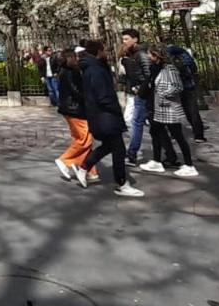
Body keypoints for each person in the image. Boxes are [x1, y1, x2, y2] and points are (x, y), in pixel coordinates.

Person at [74, 40, 143, 198]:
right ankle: (121, 183)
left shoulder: (91, 67)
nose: (107, 53)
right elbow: (103, 95)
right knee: (118, 149)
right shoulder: (96, 70)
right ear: (98, 51)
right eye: (104, 50)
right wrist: (114, 109)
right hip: (105, 115)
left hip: (100, 115)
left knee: (109, 146)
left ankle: (84, 166)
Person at [141, 46, 198, 177]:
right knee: (155, 133)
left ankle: (189, 165)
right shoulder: (155, 69)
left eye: (150, 54)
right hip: (159, 108)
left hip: (169, 107)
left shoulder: (169, 69)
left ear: (156, 55)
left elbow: (178, 86)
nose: (148, 57)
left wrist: (163, 93)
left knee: (178, 136)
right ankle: (156, 161)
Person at [54, 48, 98, 183]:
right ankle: (65, 160)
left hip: (73, 109)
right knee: (86, 139)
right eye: (75, 57)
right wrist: (90, 99)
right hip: (74, 109)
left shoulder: (70, 71)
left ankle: (91, 170)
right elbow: (76, 92)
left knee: (81, 139)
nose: (77, 59)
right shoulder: (69, 72)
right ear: (69, 58)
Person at [119, 28, 152, 166]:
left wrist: (140, 88)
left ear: (135, 39)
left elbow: (148, 74)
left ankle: (132, 154)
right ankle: (170, 155)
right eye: (123, 39)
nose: (124, 41)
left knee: (137, 122)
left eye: (126, 39)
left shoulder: (141, 54)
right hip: (138, 92)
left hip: (143, 93)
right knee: (155, 126)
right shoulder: (130, 55)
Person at [166, 44, 206, 142]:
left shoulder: (167, 55)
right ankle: (199, 135)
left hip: (174, 88)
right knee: (192, 111)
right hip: (188, 86)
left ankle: (174, 134)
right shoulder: (184, 54)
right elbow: (194, 69)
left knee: (174, 111)